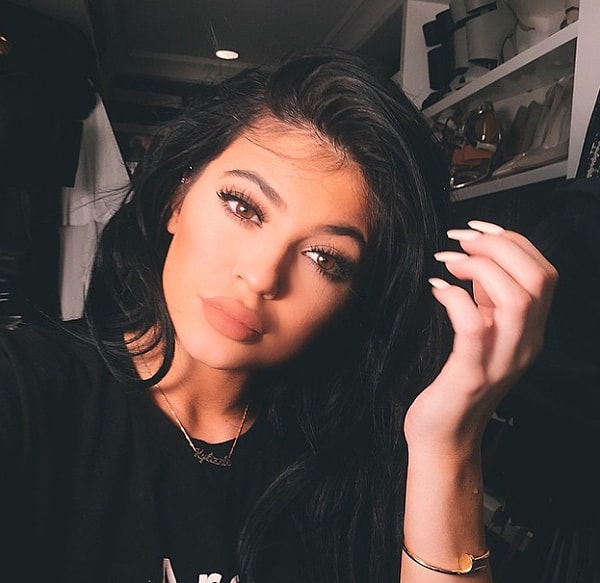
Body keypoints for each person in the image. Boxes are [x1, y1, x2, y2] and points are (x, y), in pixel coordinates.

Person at [0, 48, 557, 583]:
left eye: (324, 258)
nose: (264, 276)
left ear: (355, 298)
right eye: (243, 207)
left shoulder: (360, 457)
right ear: (176, 198)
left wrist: (449, 444)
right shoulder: (26, 390)